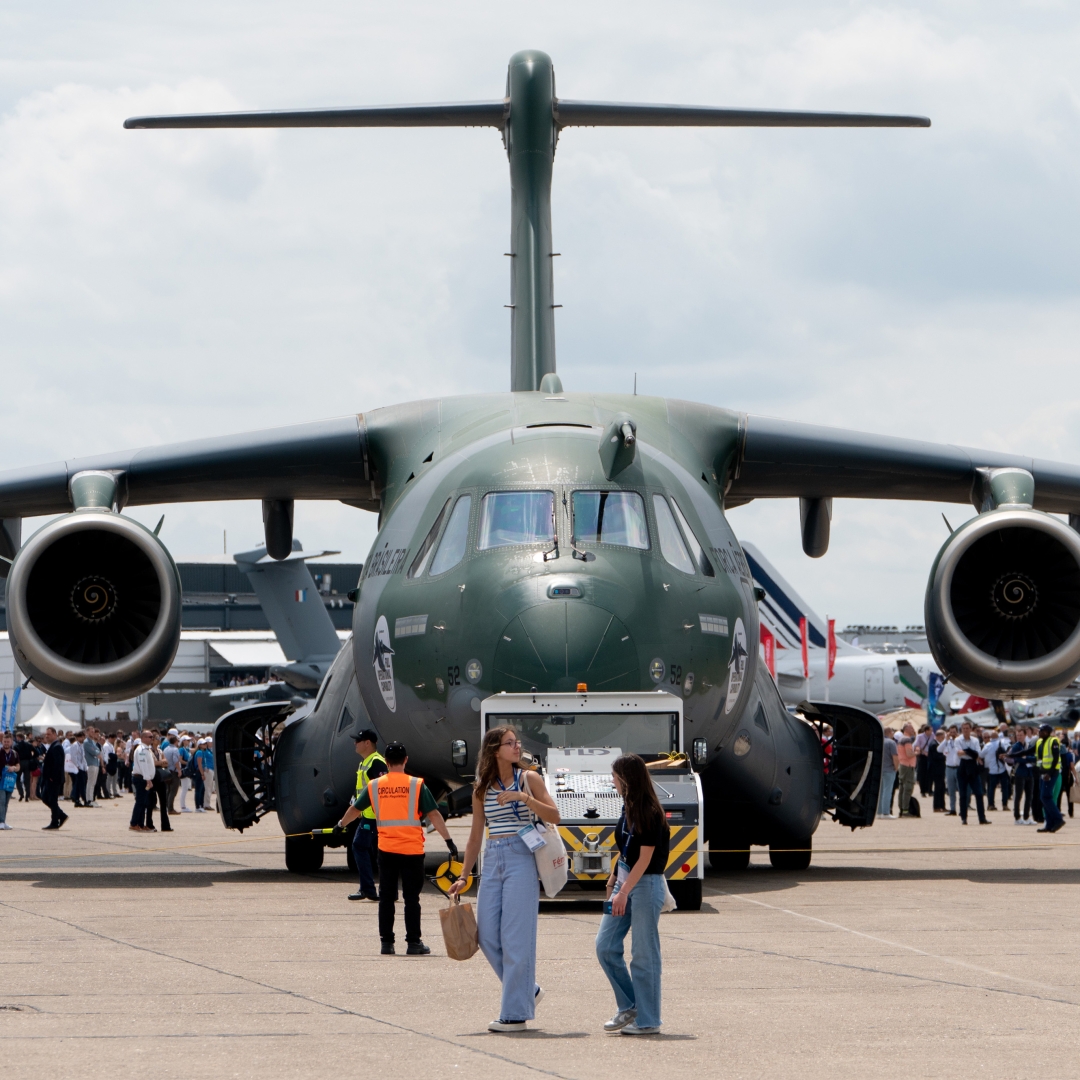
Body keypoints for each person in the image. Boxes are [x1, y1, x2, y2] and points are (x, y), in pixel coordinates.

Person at [450, 725, 560, 1032]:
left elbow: (555, 816)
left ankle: (514, 1015)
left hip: (521, 857)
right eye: (510, 743)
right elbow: (474, 838)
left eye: (517, 742)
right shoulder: (481, 788)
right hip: (493, 858)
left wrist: (525, 799)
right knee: (485, 935)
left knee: (516, 939)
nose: (516, 747)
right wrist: (463, 875)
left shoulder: (530, 778)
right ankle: (528, 991)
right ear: (495, 750)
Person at [337, 741, 457, 956]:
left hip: (386, 848)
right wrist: (448, 840)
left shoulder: (375, 785)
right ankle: (413, 943)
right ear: (406, 760)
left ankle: (387, 943)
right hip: (412, 850)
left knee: (386, 897)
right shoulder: (417, 785)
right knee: (412, 898)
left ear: (386, 760)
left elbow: (355, 809)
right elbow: (434, 815)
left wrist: (340, 825)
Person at [592, 753, 670, 1035]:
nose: (612, 781)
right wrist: (612, 881)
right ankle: (630, 1005)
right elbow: (626, 851)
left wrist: (623, 891)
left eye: (614, 776)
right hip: (625, 884)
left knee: (643, 954)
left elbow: (645, 859)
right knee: (605, 946)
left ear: (626, 778)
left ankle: (648, 1021)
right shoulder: (628, 808)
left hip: (645, 886)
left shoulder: (649, 810)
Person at [348, 730, 386, 902]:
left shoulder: (376, 762)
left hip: (374, 817)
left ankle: (368, 889)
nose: (355, 744)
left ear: (368, 743)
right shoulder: (366, 762)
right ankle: (379, 890)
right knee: (375, 851)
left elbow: (381, 790)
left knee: (360, 846)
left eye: (358, 740)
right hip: (369, 815)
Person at [956, 721, 989, 825]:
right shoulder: (958, 740)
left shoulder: (975, 740)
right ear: (961, 730)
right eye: (964, 728)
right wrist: (970, 752)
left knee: (979, 793)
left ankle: (982, 818)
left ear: (970, 729)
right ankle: (964, 818)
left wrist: (966, 751)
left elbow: (978, 753)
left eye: (967, 728)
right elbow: (959, 753)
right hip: (963, 766)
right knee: (963, 794)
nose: (965, 730)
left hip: (973, 767)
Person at [1035, 723, 1064, 833]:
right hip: (1043, 772)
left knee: (1046, 797)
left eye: (1041, 731)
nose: (1039, 733)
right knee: (1044, 797)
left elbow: (1056, 758)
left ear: (1046, 732)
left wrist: (1050, 774)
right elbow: (1030, 752)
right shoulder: (1040, 742)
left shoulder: (1053, 741)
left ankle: (1058, 819)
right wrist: (1012, 755)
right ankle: (1049, 823)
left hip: (1051, 773)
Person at [39, 728, 68, 830]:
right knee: (45, 798)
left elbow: (57, 764)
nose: (47, 736)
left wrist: (52, 777)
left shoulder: (56, 747)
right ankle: (61, 815)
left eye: (49, 734)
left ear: (55, 735)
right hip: (48, 778)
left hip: (53, 779)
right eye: (46, 734)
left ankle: (55, 822)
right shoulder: (52, 746)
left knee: (52, 800)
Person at [129, 730, 157, 832]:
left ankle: (140, 824)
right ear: (143, 738)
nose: (152, 739)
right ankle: (134, 823)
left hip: (144, 778)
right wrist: (148, 779)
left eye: (152, 737)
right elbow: (143, 765)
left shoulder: (146, 749)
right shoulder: (141, 749)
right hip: (141, 778)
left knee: (144, 802)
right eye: (150, 737)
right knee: (140, 802)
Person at [1008, 728, 1036, 825]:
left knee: (1029, 796)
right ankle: (1017, 817)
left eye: (1021, 735)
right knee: (1018, 796)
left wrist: (1026, 758)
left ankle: (1027, 816)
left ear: (1025, 735)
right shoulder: (1016, 746)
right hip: (1020, 773)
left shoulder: (1029, 745)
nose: (1019, 737)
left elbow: (1035, 758)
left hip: (1029, 773)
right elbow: (1018, 759)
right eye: (1017, 735)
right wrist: (1027, 759)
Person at [896, 723, 917, 816]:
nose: (913, 730)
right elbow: (909, 754)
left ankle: (901, 809)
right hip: (908, 765)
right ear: (907, 729)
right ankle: (905, 810)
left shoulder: (900, 739)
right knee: (908, 788)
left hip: (902, 764)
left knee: (902, 787)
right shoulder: (907, 740)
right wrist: (916, 752)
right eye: (911, 728)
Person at [878, 727, 898, 819]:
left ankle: (879, 812)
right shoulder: (891, 742)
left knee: (880, 791)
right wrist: (896, 767)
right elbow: (895, 756)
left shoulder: (879, 741)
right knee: (887, 791)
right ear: (889, 732)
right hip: (889, 769)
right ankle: (886, 812)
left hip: (879, 769)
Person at [941, 724, 961, 815]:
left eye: (954, 732)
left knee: (961, 790)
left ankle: (962, 809)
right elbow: (939, 749)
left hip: (958, 767)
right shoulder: (947, 742)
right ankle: (952, 809)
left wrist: (958, 738)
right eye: (951, 732)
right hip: (949, 768)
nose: (953, 734)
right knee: (951, 790)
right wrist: (946, 739)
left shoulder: (960, 741)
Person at [0, 733, 19, 829]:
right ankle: (1, 821)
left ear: (11, 742)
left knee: (6, 802)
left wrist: (14, 768)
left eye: (8, 742)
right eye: (4, 741)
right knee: (1, 801)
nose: (6, 743)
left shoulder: (14, 753)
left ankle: (3, 821)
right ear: (2, 741)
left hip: (10, 781)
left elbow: (18, 766)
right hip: (0, 780)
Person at [927, 728, 947, 812]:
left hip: (941, 769)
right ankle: (936, 806)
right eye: (943, 737)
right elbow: (935, 757)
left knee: (942, 787)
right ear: (938, 736)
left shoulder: (938, 744)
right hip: (936, 769)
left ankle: (942, 805)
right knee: (938, 788)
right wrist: (945, 756)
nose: (943, 738)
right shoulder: (933, 744)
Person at [14, 732, 33, 801]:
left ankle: (21, 793)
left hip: (19, 762)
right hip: (27, 762)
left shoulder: (16, 745)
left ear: (18, 737)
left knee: (18, 778)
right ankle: (27, 795)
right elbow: (36, 752)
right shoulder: (28, 745)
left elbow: (14, 755)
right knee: (27, 779)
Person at [197, 739, 215, 812]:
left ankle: (207, 803)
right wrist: (205, 767)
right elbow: (202, 761)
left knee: (210, 787)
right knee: (208, 787)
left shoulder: (209, 750)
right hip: (208, 770)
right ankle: (206, 804)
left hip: (211, 770)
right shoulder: (204, 751)